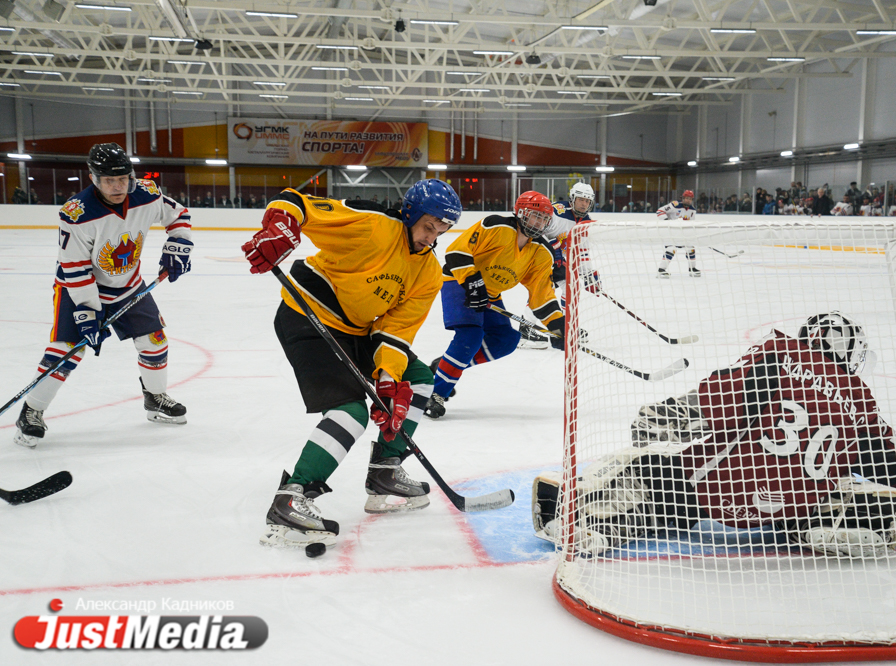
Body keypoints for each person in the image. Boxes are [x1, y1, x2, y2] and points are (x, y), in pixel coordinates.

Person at [533, 313, 896, 559]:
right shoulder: (863, 399)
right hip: (786, 509)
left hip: (717, 494)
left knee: (645, 465)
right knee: (839, 478)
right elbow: (890, 458)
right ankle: (841, 519)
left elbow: (716, 397)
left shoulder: (778, 352)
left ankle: (594, 523)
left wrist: (665, 414)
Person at [240, 179, 461, 548]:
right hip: (307, 314)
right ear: (410, 215)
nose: (432, 237)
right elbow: (296, 201)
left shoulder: (428, 272)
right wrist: (280, 225)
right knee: (350, 410)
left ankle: (384, 471)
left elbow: (396, 330)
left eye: (442, 230)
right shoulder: (372, 226)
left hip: (356, 331)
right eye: (428, 226)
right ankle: (293, 496)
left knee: (421, 379)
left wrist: (388, 377)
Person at [13, 143, 193, 448]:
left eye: (123, 178)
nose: (118, 186)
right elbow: (74, 268)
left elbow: (179, 216)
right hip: (78, 288)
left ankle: (154, 398)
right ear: (94, 178)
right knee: (66, 350)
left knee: (154, 341)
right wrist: (88, 311)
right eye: (109, 180)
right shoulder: (77, 213)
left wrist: (178, 246)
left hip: (128, 285)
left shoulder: (147, 194)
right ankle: (32, 411)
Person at [424, 191, 566, 419]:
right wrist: (471, 281)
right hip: (458, 281)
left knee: (506, 340)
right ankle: (436, 392)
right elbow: (456, 252)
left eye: (543, 219)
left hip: (489, 293)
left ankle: (446, 365)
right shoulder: (496, 226)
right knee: (470, 336)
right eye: (534, 216)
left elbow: (541, 293)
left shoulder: (541, 252)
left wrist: (558, 323)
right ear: (520, 213)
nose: (538, 222)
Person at [518, 182, 597, 350]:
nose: (584, 204)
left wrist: (590, 274)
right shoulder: (556, 211)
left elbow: (581, 250)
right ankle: (526, 329)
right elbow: (535, 230)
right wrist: (554, 246)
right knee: (544, 290)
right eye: (581, 199)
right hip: (537, 255)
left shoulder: (586, 222)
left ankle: (565, 326)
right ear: (573, 198)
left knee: (572, 286)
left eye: (587, 201)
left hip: (556, 261)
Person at [656, 189, 699, 278]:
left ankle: (692, 268)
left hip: (682, 234)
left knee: (690, 248)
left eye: (690, 199)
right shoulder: (674, 205)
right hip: (670, 233)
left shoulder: (692, 210)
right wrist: (667, 222)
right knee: (671, 249)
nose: (688, 200)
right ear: (683, 198)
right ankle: (661, 270)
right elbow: (660, 211)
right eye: (687, 198)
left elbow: (691, 223)